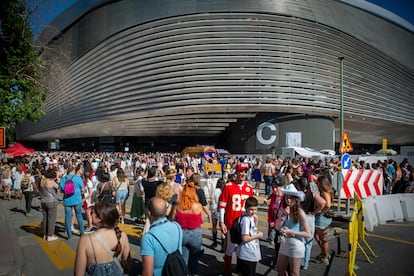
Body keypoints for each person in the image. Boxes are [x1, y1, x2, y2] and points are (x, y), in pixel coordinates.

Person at [74, 201, 131, 275]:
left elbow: (78, 273)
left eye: (92, 212)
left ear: (99, 218)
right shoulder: (122, 236)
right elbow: (128, 264)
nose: (90, 213)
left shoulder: (86, 240)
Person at [219, 163, 254, 276]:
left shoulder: (249, 188)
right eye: (241, 171)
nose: (243, 174)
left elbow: (252, 208)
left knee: (242, 250)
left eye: (245, 171)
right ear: (236, 173)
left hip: (244, 225)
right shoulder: (228, 186)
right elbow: (222, 206)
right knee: (229, 249)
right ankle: (228, 271)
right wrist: (221, 222)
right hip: (231, 224)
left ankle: (240, 271)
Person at [141, 197, 183, 276]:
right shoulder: (177, 227)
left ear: (148, 213)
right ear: (166, 211)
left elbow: (147, 273)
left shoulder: (148, 238)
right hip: (176, 271)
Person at [275, 184, 311, 276]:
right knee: (280, 269)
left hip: (296, 245)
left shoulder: (300, 212)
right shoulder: (283, 210)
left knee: (294, 272)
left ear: (296, 199)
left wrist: (291, 232)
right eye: (287, 197)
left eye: (291, 198)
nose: (288, 200)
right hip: (284, 243)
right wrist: (283, 216)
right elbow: (277, 228)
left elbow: (308, 233)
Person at [170, 181, 203, 275]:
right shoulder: (198, 206)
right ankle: (192, 273)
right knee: (194, 257)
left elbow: (172, 219)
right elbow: (202, 220)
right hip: (195, 234)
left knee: (183, 257)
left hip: (182, 233)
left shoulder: (178, 206)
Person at [236, 197, 263, 276]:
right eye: (251, 209)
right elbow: (245, 238)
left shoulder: (249, 217)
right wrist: (258, 235)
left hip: (246, 251)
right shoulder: (246, 220)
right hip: (248, 253)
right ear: (246, 208)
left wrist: (256, 221)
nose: (253, 212)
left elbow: (252, 230)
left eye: (255, 209)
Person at [60, 165, 85, 239]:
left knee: (68, 217)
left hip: (67, 200)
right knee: (79, 215)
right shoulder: (78, 178)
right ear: (73, 171)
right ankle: (82, 232)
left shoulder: (63, 179)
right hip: (77, 199)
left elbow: (61, 190)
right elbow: (83, 189)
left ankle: (69, 234)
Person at [314, 175, 334, 265]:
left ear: (321, 183)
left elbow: (328, 205)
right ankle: (324, 253)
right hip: (326, 217)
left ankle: (325, 255)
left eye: (317, 182)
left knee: (322, 237)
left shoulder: (324, 192)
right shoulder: (329, 190)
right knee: (320, 236)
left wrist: (321, 212)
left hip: (322, 218)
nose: (316, 183)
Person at [266, 180, 284, 260]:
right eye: (273, 188)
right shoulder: (273, 196)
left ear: (282, 187)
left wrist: (276, 222)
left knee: (282, 243)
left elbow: (284, 214)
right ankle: (277, 258)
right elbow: (270, 210)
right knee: (277, 242)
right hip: (274, 224)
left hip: (282, 224)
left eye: (277, 187)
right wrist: (270, 221)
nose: (274, 189)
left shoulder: (285, 198)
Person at [40, 168, 60, 241]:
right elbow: (60, 187)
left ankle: (45, 234)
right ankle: (50, 235)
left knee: (45, 218)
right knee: (51, 219)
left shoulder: (43, 181)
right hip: (51, 201)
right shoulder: (51, 182)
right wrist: (58, 178)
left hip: (43, 201)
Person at [210, 178, 225, 251]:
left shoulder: (215, 191)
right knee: (222, 228)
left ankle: (215, 242)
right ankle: (223, 246)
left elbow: (212, 201)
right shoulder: (224, 190)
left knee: (214, 226)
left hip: (215, 210)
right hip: (222, 210)